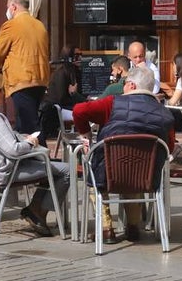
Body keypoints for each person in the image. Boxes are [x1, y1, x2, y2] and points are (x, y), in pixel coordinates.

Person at [72, 66, 175, 243]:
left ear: (132, 85)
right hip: (147, 177)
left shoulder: (112, 103)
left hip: (107, 172)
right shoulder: (165, 114)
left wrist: (85, 134)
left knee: (96, 178)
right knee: (135, 171)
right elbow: (169, 148)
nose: (123, 88)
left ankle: (106, 229)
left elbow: (78, 110)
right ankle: (133, 227)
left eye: (125, 84)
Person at [0, 70, 71, 237]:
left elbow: (1, 139)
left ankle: (35, 209)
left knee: (50, 168)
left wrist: (21, 137)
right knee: (66, 170)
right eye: (0, 90)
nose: (4, 93)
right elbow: (13, 150)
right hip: (7, 171)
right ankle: (38, 211)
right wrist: (30, 142)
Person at [0, 0, 50, 135]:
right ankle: (26, 149)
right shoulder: (40, 25)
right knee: (26, 124)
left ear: (13, 7)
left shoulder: (11, 25)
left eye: (8, 7)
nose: (7, 10)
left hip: (21, 80)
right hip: (40, 80)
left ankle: (39, 149)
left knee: (30, 127)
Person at [41, 45, 87, 138]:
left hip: (66, 106)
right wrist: (76, 97)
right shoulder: (61, 73)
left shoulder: (75, 72)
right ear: (69, 57)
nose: (80, 58)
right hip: (57, 110)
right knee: (84, 113)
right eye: (77, 55)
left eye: (81, 55)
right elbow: (61, 98)